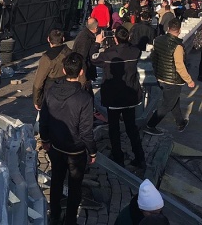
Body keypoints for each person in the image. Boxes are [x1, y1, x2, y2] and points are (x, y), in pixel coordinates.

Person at [39, 53, 96, 225]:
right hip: (76, 150)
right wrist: (92, 151)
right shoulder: (85, 98)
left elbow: (44, 119)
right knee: (75, 186)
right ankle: (70, 219)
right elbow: (86, 130)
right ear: (80, 72)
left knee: (56, 181)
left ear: (64, 70)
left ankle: (55, 215)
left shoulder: (50, 91)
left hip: (56, 146)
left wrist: (45, 139)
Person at [91, 27, 145, 168]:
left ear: (115, 38)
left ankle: (118, 157)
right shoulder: (135, 51)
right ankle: (140, 157)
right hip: (130, 97)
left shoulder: (109, 55)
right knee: (131, 128)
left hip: (113, 97)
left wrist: (97, 43)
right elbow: (135, 49)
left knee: (114, 128)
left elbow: (93, 58)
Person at [145, 19, 194, 136]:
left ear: (168, 28)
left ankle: (180, 122)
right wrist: (189, 80)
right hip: (173, 80)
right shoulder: (178, 46)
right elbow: (179, 66)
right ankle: (150, 125)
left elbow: (153, 57)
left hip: (160, 76)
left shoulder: (158, 40)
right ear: (180, 30)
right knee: (167, 104)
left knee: (173, 101)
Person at [33, 29, 73, 110]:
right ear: (63, 39)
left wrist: (36, 100)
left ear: (48, 39)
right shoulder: (71, 53)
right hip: (69, 89)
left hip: (51, 92)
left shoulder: (47, 57)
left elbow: (38, 82)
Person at [72, 18, 99, 87]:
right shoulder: (85, 38)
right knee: (86, 91)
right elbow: (82, 57)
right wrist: (84, 75)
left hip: (85, 69)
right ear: (95, 28)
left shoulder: (86, 34)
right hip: (83, 72)